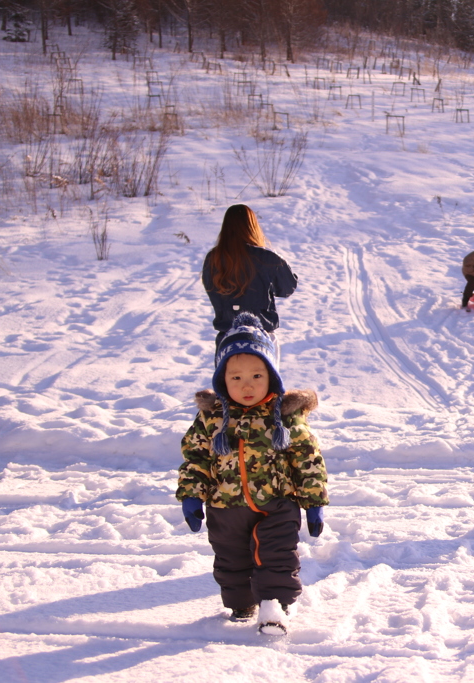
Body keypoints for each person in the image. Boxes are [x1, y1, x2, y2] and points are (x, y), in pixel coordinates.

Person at [176, 312, 328, 636]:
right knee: (231, 561)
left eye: (257, 376)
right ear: (222, 380)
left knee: (277, 555)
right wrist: (191, 494)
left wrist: (313, 502)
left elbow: (308, 459)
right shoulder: (211, 419)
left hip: (277, 503)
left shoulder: (284, 417)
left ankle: (274, 606)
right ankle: (241, 605)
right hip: (224, 507)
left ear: (271, 375)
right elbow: (196, 457)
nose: (247, 385)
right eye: (236, 378)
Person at [202, 204, 298, 350]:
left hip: (226, 339)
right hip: (262, 337)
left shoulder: (213, 258)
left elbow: (211, 289)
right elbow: (287, 288)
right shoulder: (267, 257)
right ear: (252, 226)